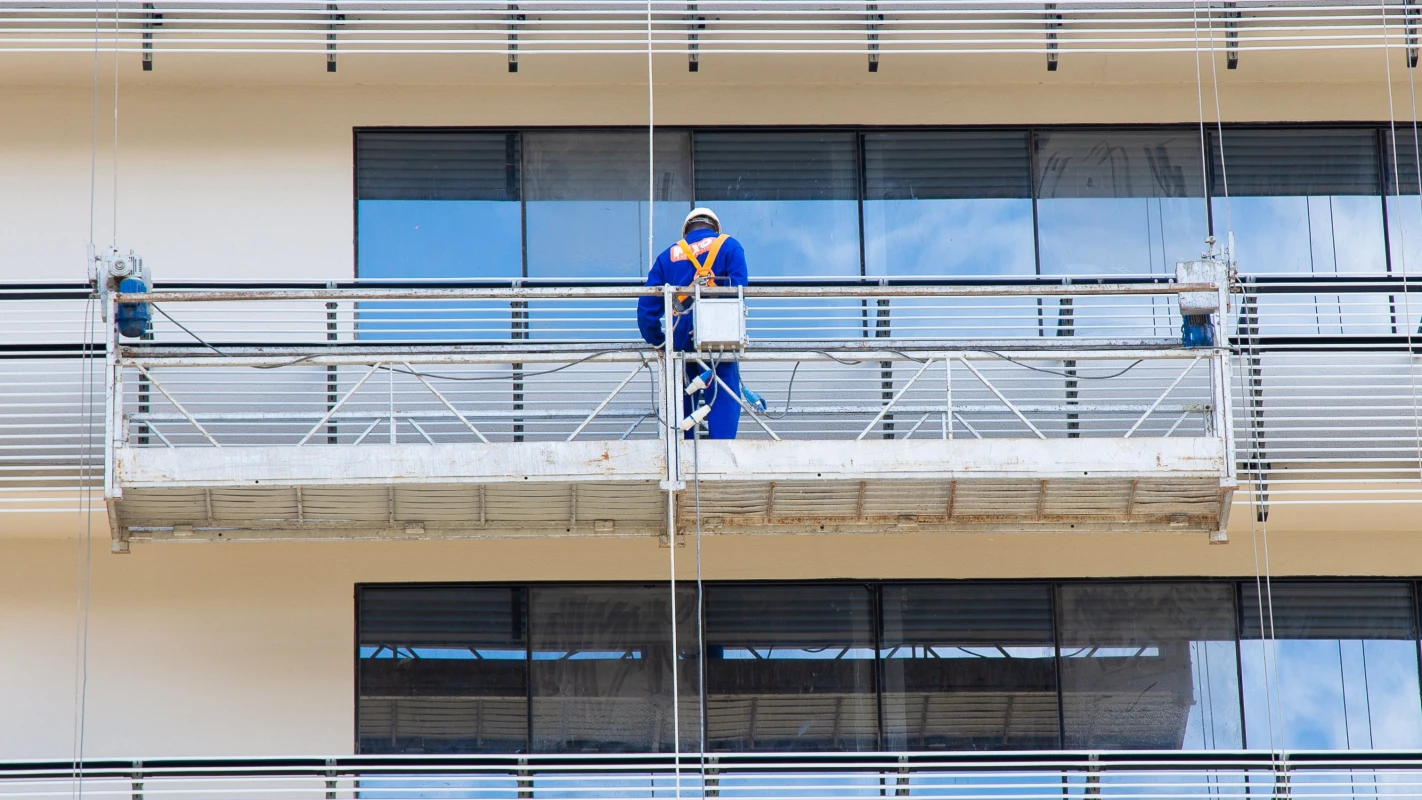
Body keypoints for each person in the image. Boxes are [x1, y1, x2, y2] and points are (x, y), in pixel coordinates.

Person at [637, 207, 748, 439]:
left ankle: (682, 447)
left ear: (687, 230)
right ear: (714, 228)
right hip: (718, 340)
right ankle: (721, 450)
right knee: (723, 393)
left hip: (680, 342)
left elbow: (646, 310)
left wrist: (659, 341)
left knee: (679, 397)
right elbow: (739, 295)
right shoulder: (730, 246)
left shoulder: (667, 256)